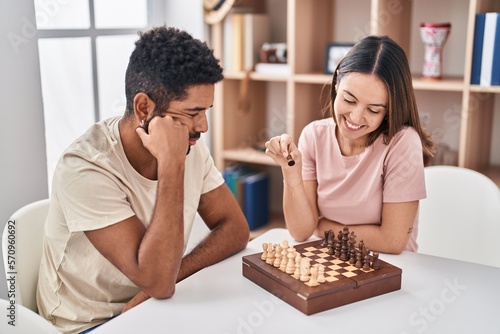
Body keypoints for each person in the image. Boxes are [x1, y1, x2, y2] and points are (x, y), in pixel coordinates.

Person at [36, 26, 250, 333]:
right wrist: (172, 165)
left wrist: (160, 282)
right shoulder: (83, 168)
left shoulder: (190, 145)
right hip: (87, 324)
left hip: (153, 303)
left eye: (206, 111)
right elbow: (159, 282)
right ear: (144, 108)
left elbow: (235, 229)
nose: (203, 126)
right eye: (192, 112)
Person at [265, 35, 436, 255]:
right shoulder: (314, 136)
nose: (355, 117)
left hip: (391, 267)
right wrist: (291, 173)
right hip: (331, 260)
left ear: (390, 109)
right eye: (349, 100)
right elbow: (301, 232)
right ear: (337, 81)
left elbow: (392, 241)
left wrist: (325, 227)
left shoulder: (402, 143)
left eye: (373, 110)